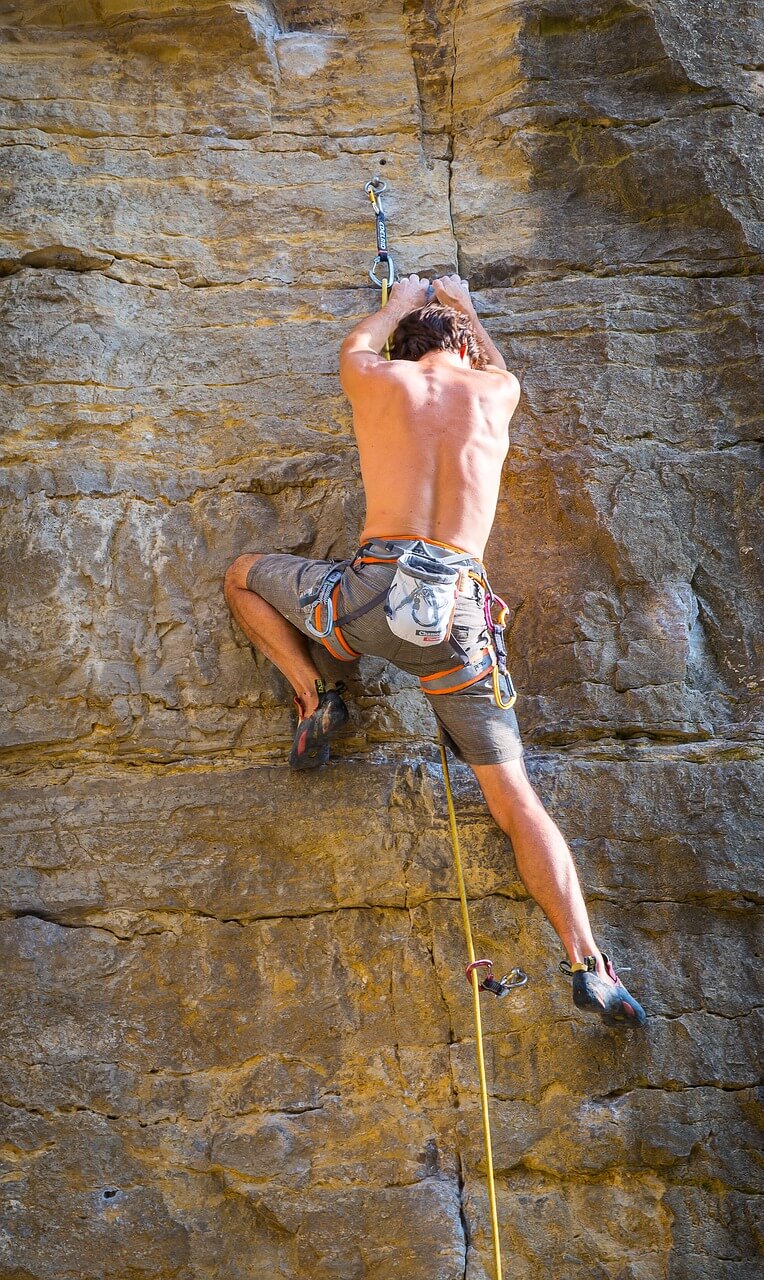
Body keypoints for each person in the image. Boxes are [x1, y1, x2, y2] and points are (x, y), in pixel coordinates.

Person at [224, 273, 646, 1026]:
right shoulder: (497, 392)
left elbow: (356, 342)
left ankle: (316, 696)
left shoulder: (373, 376)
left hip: (364, 602)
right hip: (455, 621)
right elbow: (487, 360)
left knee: (243, 577)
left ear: (400, 346)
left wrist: (399, 302)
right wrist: (462, 305)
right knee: (516, 800)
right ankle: (589, 964)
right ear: (461, 345)